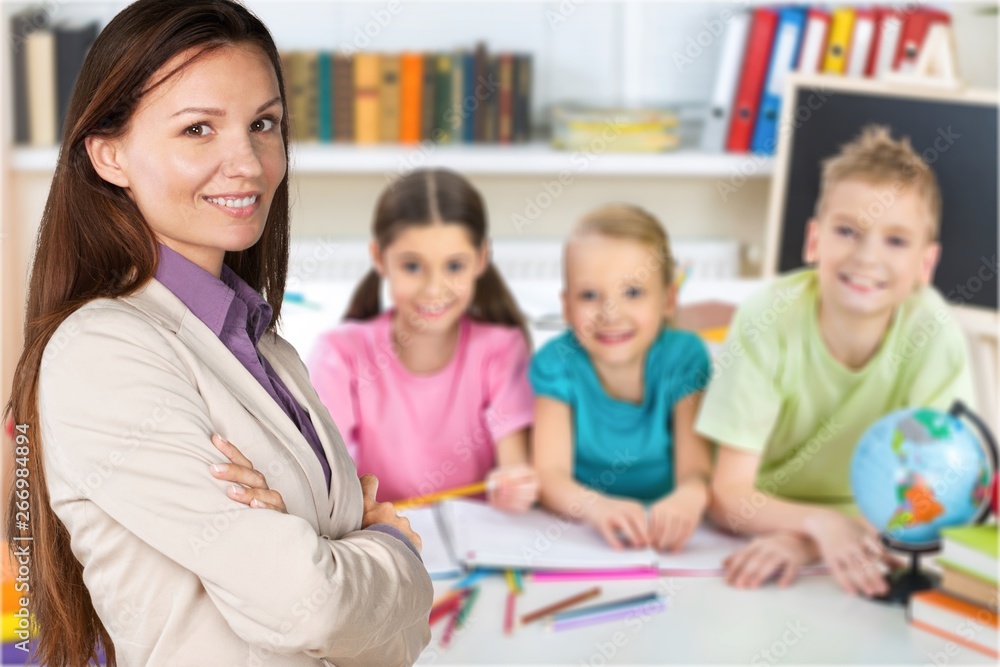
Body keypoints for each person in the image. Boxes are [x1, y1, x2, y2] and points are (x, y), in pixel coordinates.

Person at [4, 1, 431, 665]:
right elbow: (310, 604)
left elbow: (379, 637)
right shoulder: (101, 352)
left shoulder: (266, 348)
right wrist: (395, 553)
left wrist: (317, 554)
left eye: (264, 124)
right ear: (109, 153)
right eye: (199, 128)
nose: (249, 163)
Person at [698, 125, 976, 594]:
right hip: (765, 511)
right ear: (814, 241)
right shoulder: (767, 317)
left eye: (896, 241)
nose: (867, 257)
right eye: (848, 231)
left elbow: (938, 494)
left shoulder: (932, 331)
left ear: (925, 266)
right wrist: (817, 525)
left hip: (861, 528)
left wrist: (808, 540)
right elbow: (729, 497)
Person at [307, 169, 539, 511]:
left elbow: (515, 466)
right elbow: (329, 483)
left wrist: (516, 487)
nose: (434, 288)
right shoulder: (339, 354)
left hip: (473, 547)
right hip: (379, 541)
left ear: (482, 259)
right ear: (379, 259)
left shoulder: (502, 349)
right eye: (413, 267)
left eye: (454, 266)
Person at [530, 204, 713, 551]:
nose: (610, 314)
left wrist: (688, 498)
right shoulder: (557, 362)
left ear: (668, 299)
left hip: (666, 541)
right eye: (589, 295)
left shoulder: (684, 357)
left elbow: (696, 472)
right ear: (567, 307)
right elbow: (549, 474)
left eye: (632, 293)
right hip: (581, 536)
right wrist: (596, 507)